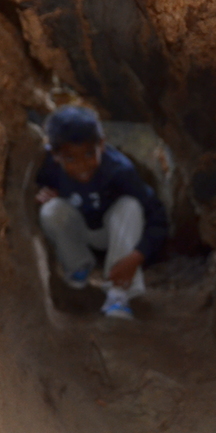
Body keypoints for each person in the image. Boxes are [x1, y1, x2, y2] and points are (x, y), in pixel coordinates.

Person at [35, 105, 167, 319]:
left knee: (130, 206)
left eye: (89, 153)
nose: (82, 165)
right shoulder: (48, 170)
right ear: (55, 155)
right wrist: (42, 195)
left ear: (102, 145)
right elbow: (38, 195)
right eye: (70, 158)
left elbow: (157, 218)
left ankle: (119, 294)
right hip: (82, 232)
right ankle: (78, 268)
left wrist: (136, 256)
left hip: (114, 234)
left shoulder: (119, 171)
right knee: (51, 210)